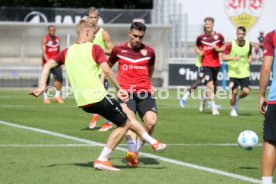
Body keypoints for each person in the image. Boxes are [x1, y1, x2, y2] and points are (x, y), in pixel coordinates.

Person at [29, 19, 166, 171]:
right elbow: (107, 70)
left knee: (126, 120)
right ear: (87, 32)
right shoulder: (95, 49)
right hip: (99, 97)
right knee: (127, 121)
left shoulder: (68, 51)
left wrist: (42, 85)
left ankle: (138, 148)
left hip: (83, 102)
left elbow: (47, 65)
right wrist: (119, 88)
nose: (95, 37)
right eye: (94, 34)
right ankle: (121, 153)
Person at [108, 22, 157, 167]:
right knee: (130, 121)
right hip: (125, 92)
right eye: (135, 36)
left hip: (144, 91)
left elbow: (151, 69)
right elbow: (107, 68)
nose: (137, 39)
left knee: (151, 121)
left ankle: (135, 150)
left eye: (140, 37)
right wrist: (107, 86)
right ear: (129, 33)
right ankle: (131, 154)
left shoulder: (149, 52)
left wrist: (149, 82)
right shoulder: (118, 50)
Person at [87, 7, 113, 131]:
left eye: (95, 17)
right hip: (89, 70)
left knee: (102, 97)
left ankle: (108, 122)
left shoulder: (103, 33)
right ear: (87, 18)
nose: (92, 20)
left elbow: (112, 50)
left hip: (101, 70)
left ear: (98, 19)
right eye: (90, 17)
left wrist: (100, 50)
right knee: (91, 97)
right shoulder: (85, 33)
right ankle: (96, 114)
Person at [194, 17, 225, 115]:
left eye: (209, 24)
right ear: (205, 25)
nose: (208, 26)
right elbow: (196, 47)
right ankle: (214, 108)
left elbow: (224, 47)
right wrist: (199, 52)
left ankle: (203, 99)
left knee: (214, 88)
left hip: (216, 64)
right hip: (206, 64)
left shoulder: (219, 36)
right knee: (210, 85)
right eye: (206, 24)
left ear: (213, 25)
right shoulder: (200, 38)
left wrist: (218, 49)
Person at [221, 26, 252, 117]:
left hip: (244, 72)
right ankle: (232, 109)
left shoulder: (248, 44)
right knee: (234, 92)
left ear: (245, 34)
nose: (241, 36)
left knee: (246, 91)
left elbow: (249, 54)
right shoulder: (230, 44)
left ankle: (238, 98)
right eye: (239, 34)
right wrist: (233, 58)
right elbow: (223, 57)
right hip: (233, 73)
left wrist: (250, 59)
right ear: (236, 34)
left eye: (243, 34)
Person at [259, 30, 276, 184]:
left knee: (271, 141)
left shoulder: (272, 36)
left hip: (275, 99)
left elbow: (266, 68)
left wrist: (262, 95)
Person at [41, 25, 64, 104]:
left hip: (56, 62)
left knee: (60, 78)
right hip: (47, 63)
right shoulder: (45, 39)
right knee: (46, 81)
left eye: (53, 30)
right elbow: (44, 52)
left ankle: (57, 96)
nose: (52, 32)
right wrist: (48, 62)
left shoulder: (58, 39)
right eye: (51, 30)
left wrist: (61, 61)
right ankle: (45, 98)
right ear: (48, 31)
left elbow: (59, 51)